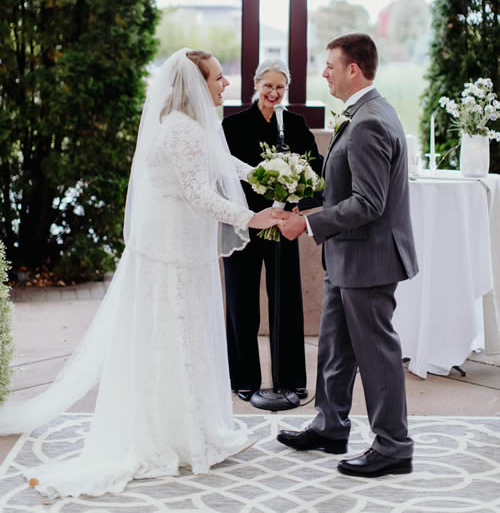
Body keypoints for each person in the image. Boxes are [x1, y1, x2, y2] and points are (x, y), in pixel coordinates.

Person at [0, 48, 283, 498]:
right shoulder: (180, 131)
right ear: (194, 83)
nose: (224, 84)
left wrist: (270, 176)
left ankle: (193, 425)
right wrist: (254, 218)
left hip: (181, 247)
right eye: (216, 78)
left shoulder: (189, 127)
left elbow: (222, 163)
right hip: (172, 251)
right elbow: (198, 195)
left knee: (183, 333)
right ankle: (177, 433)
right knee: (173, 333)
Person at [276, 34, 419, 478]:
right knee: (334, 347)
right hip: (347, 256)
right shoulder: (365, 113)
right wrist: (307, 201)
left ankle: (394, 446)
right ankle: (330, 424)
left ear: (353, 69)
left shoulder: (370, 121)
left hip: (369, 259)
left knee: (377, 353)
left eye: (330, 66)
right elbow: (347, 186)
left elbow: (368, 203)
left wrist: (309, 224)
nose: (324, 74)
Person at [222, 59, 322, 401]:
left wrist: (299, 203)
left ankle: (291, 379)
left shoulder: (295, 124)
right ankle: (243, 379)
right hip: (244, 224)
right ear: (255, 83)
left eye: (280, 87)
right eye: (268, 86)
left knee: (287, 302)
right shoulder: (232, 125)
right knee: (241, 303)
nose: (273, 93)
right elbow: (221, 176)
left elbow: (317, 172)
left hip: (282, 227)